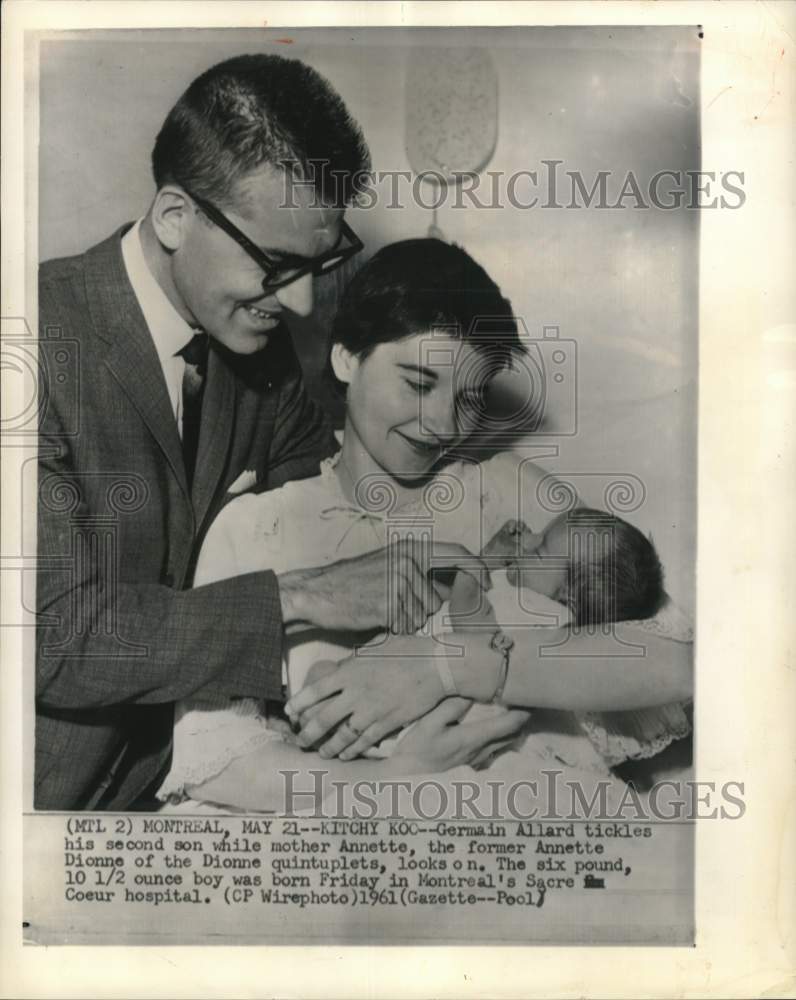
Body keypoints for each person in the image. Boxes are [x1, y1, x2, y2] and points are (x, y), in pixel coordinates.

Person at [35, 55, 482, 811]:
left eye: (321, 262)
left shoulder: (252, 343)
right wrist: (299, 597)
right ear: (176, 216)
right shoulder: (34, 343)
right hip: (41, 804)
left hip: (180, 784)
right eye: (277, 265)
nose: (305, 303)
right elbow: (56, 638)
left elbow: (325, 496)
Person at [157, 239, 692, 812]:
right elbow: (215, 765)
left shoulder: (507, 489)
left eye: (470, 398)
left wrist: (445, 668)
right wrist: (404, 777)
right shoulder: (256, 528)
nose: (442, 423)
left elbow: (675, 667)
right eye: (418, 383)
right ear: (346, 358)